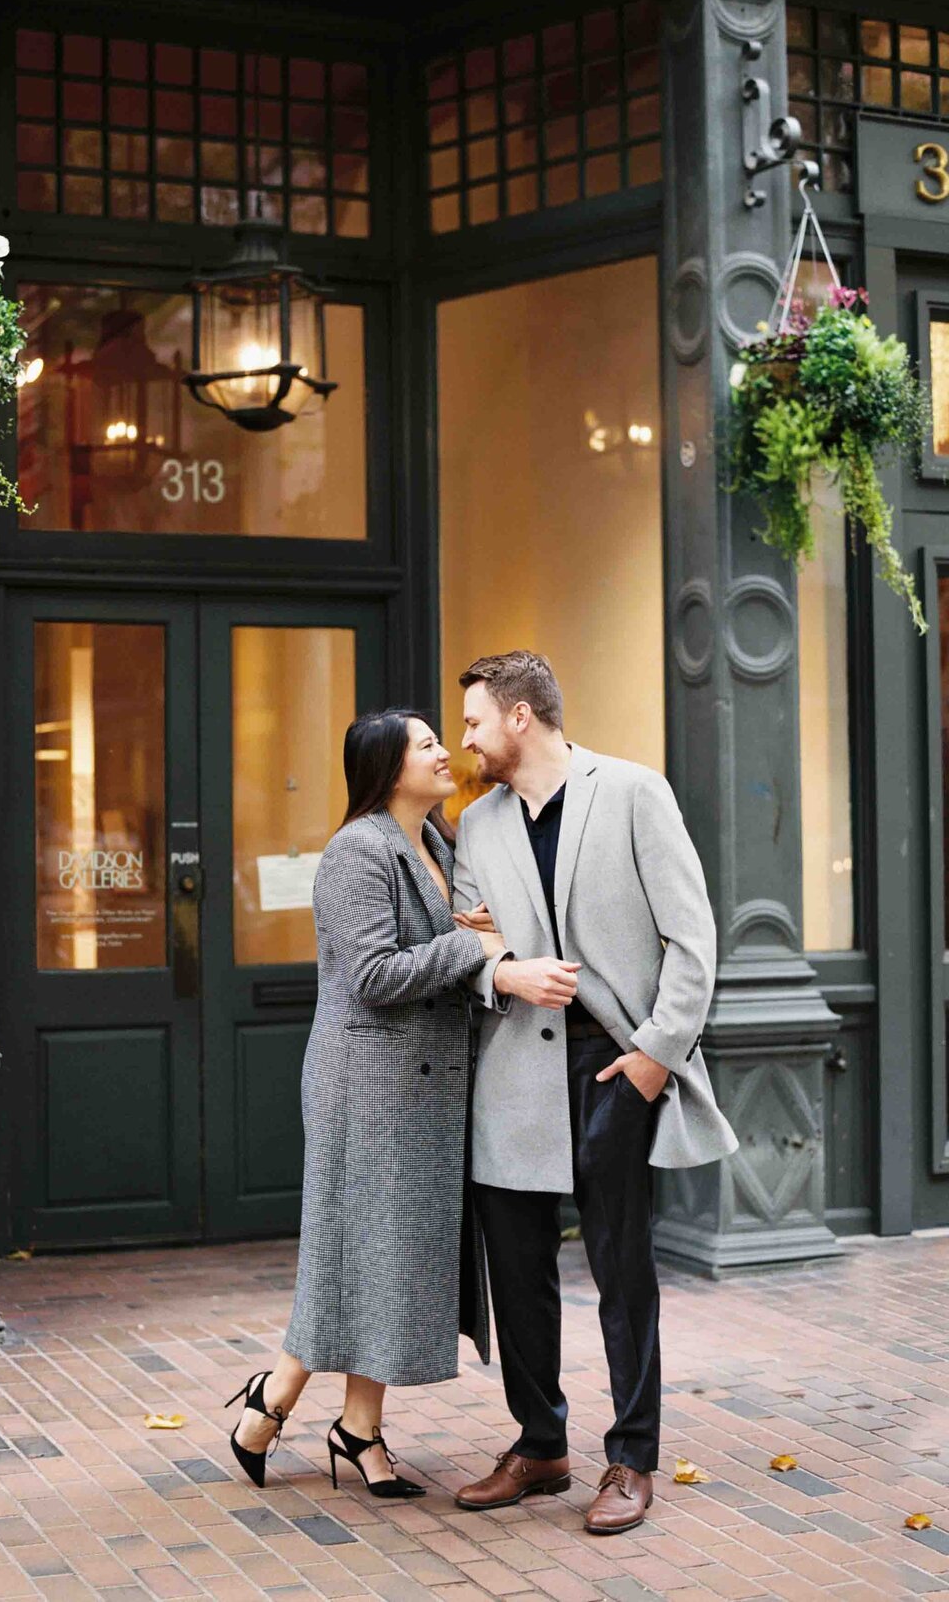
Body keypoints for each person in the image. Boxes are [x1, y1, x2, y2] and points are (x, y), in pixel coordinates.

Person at [450, 650, 737, 1534]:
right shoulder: (477, 824)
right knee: (516, 1266)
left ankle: (632, 1458)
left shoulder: (634, 793)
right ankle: (540, 1445)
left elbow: (692, 938)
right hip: (512, 1071)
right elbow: (470, 949)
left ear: (520, 717)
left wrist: (657, 1054)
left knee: (622, 1267)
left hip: (613, 1064)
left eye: (473, 720)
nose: (464, 736)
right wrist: (501, 970)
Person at [225, 708, 507, 1496]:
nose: (446, 751)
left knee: (384, 1260)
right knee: (355, 1255)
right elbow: (375, 977)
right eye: (427, 746)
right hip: (368, 1085)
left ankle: (355, 1428)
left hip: (421, 1083)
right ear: (387, 768)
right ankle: (273, 1404)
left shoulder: (436, 841)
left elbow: (429, 938)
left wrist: (464, 928)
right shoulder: (356, 850)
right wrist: (472, 946)